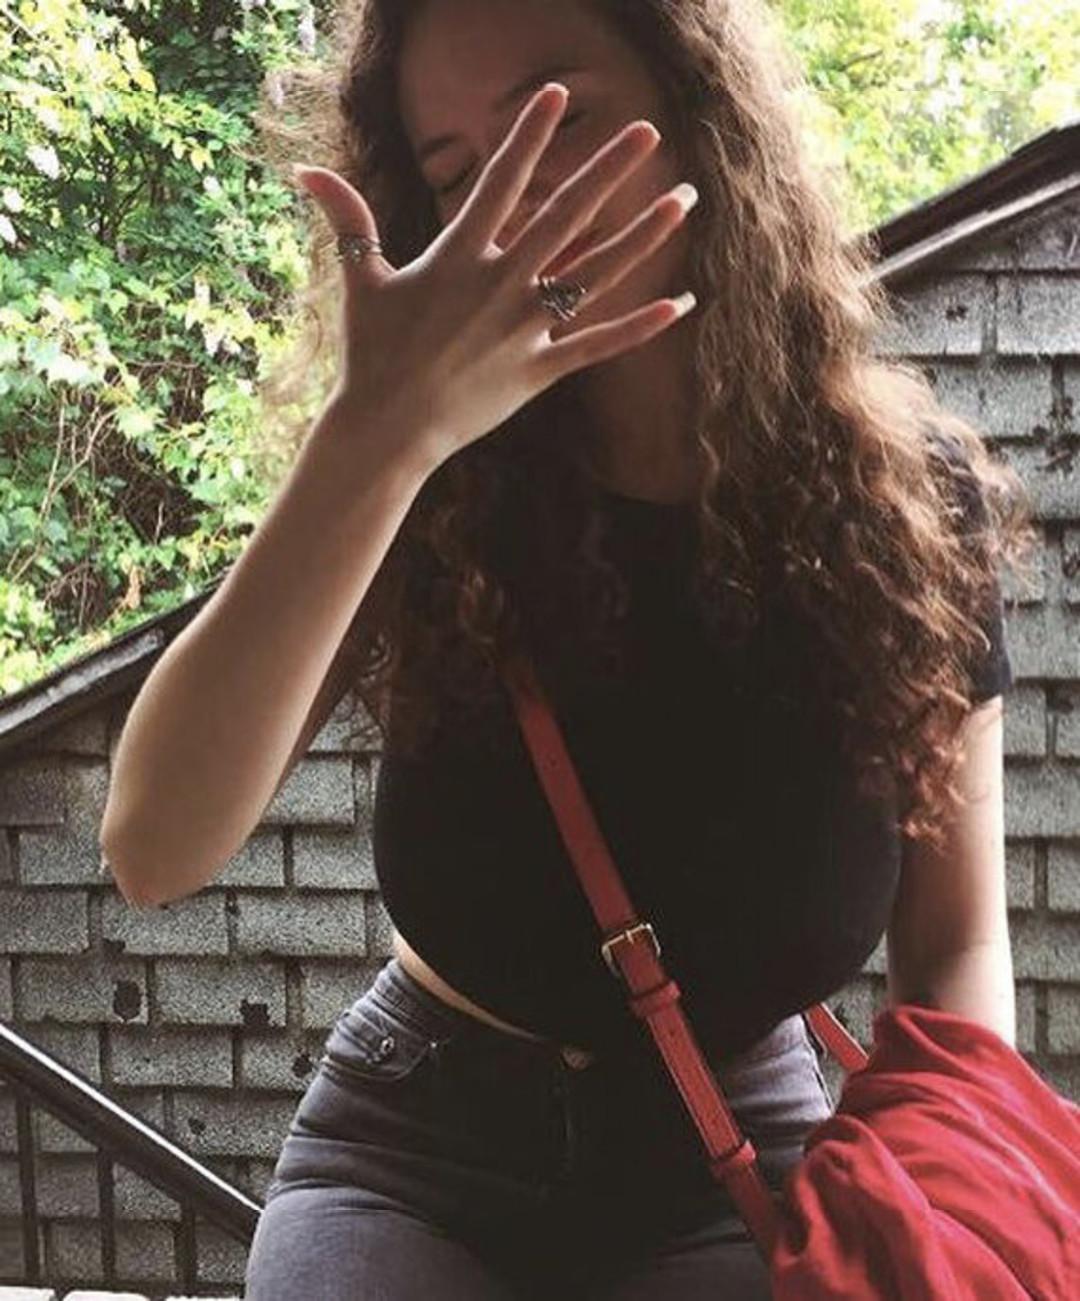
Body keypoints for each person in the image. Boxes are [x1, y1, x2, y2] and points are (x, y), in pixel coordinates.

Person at [99, 1, 1029, 1298]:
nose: (519, 205)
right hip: (415, 1149)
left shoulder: (911, 506)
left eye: (563, 120)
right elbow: (153, 846)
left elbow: (957, 943)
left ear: (700, 113)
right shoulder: (423, 475)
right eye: (458, 176)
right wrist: (376, 437)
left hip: (737, 1145)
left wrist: (957, 1193)